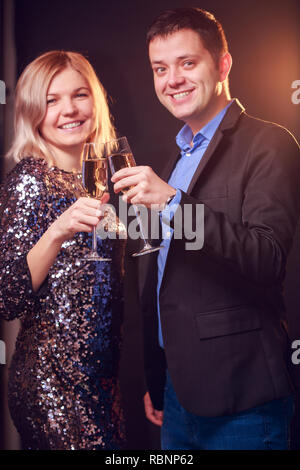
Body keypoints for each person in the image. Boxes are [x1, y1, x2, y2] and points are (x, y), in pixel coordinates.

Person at [111, 8, 300, 450]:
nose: (171, 79)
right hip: (177, 394)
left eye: (187, 63)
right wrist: (158, 377)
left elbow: (266, 258)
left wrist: (173, 204)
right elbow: (162, 273)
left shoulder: (269, 143)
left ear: (223, 64)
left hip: (243, 399)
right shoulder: (175, 156)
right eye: (160, 68)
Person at [0, 51, 127, 450]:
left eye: (79, 95)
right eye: (52, 100)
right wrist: (57, 231)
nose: (69, 110)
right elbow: (5, 297)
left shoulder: (104, 178)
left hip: (103, 382)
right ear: (34, 112)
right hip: (53, 383)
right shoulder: (30, 179)